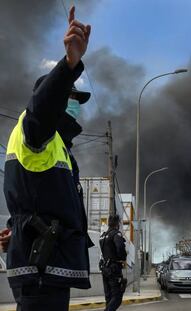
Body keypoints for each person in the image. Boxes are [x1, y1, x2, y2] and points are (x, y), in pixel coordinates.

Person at [2, 6, 92, 310]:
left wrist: (15, 233)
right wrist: (68, 66)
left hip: (46, 267)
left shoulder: (59, 145)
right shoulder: (37, 131)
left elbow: (38, 197)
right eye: (72, 97)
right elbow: (42, 108)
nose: (76, 105)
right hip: (41, 269)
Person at [99, 214, 127, 311]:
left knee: (109, 297)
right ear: (117, 223)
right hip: (113, 269)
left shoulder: (102, 236)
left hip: (104, 269)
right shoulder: (116, 234)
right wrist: (123, 258)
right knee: (117, 297)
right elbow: (120, 248)